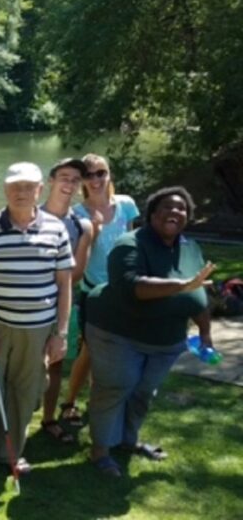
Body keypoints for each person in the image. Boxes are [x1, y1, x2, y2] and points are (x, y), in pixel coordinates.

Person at [0, 163, 73, 480]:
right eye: (15, 187)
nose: (21, 192)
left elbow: (65, 285)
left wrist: (60, 333)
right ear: (6, 190)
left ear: (39, 190)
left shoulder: (56, 229)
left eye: (28, 186)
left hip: (37, 330)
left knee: (24, 391)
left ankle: (10, 453)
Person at [86, 187, 214, 477]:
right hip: (117, 330)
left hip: (166, 340)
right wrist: (182, 285)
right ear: (152, 214)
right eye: (167, 207)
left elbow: (200, 293)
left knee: (143, 392)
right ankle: (101, 451)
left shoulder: (190, 248)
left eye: (182, 209)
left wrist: (205, 331)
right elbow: (134, 287)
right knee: (116, 386)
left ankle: (128, 442)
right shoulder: (129, 244)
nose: (175, 212)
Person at [63, 154, 140, 427]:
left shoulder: (127, 205)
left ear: (109, 174)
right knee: (89, 350)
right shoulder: (77, 214)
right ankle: (69, 401)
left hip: (123, 290)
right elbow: (76, 257)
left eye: (101, 173)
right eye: (89, 174)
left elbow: (132, 244)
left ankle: (100, 402)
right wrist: (92, 231)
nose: (95, 179)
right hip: (93, 290)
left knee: (117, 349)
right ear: (82, 179)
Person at [39, 160, 94, 444]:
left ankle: (48, 419)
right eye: (63, 177)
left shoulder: (82, 225)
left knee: (55, 363)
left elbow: (77, 272)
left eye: (75, 180)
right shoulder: (29, 215)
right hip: (28, 305)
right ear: (50, 180)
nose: (69, 184)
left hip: (62, 304)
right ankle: (11, 419)